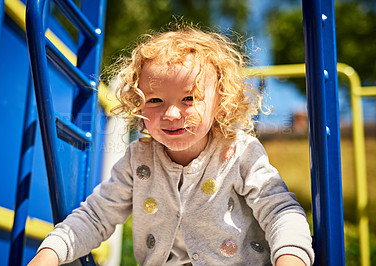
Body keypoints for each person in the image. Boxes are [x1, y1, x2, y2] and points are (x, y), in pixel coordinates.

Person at [28, 25, 314, 266]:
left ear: (221, 101)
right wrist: (50, 253)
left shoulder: (239, 152)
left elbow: (279, 210)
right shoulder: (139, 160)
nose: (171, 114)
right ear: (138, 104)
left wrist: (290, 257)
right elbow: (96, 215)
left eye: (189, 98)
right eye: (155, 100)